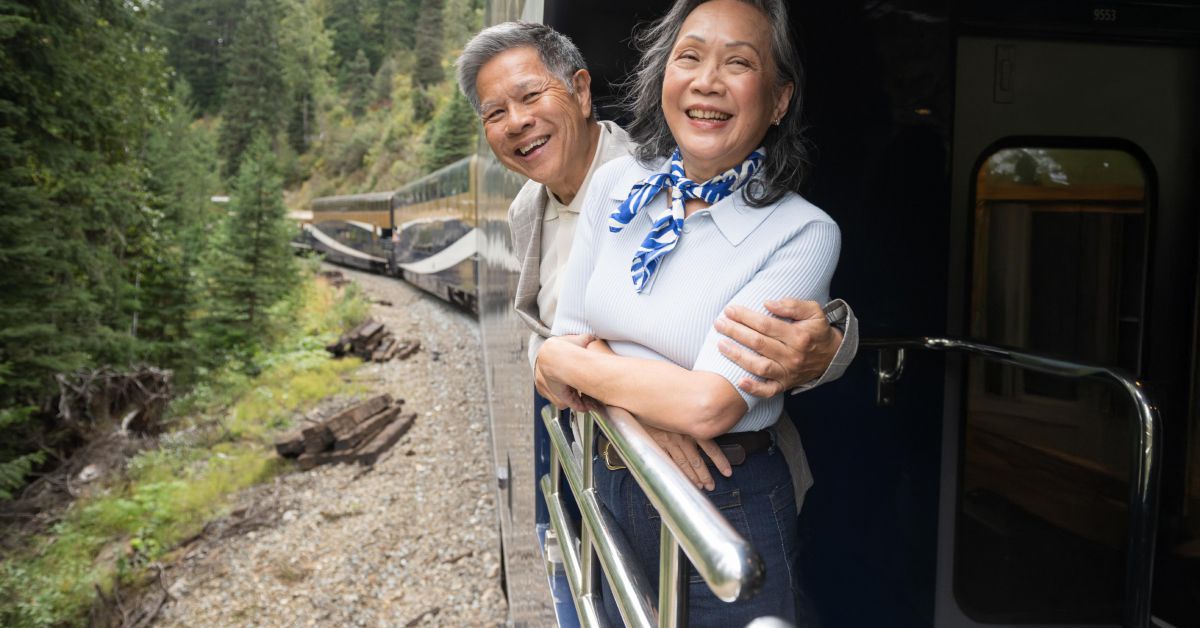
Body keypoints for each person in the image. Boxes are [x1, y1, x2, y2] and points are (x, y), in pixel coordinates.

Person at [456, 21, 857, 492]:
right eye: (495, 112)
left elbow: (731, 356)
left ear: (581, 92)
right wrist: (630, 406)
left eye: (530, 96)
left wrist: (592, 375)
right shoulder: (526, 208)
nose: (516, 122)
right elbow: (548, 339)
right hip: (598, 462)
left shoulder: (663, 176)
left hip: (715, 474)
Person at [534, 0, 835, 624]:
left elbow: (708, 406)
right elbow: (558, 351)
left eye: (739, 63)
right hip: (610, 478)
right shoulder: (615, 188)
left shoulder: (802, 232)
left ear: (779, 100)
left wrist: (586, 367)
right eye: (689, 57)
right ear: (662, 76)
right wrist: (647, 413)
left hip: (725, 499)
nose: (707, 81)